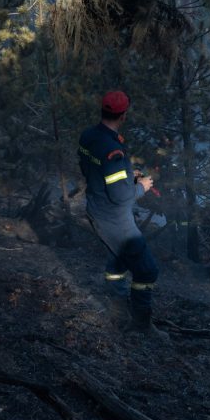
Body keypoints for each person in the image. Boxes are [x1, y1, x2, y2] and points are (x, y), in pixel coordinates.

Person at [78, 90, 166, 338]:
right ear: (123, 115)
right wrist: (141, 186)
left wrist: (127, 175)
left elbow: (96, 172)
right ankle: (140, 325)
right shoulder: (112, 150)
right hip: (115, 219)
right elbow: (120, 196)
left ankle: (117, 309)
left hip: (97, 212)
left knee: (118, 259)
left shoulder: (89, 136)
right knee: (147, 270)